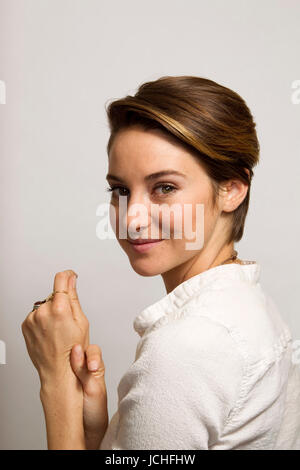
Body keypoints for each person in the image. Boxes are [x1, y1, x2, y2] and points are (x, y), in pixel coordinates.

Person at [22, 76, 300, 450]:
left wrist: (56, 380)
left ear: (231, 189)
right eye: (120, 190)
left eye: (164, 188)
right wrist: (96, 433)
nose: (132, 217)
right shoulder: (251, 307)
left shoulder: (186, 349)